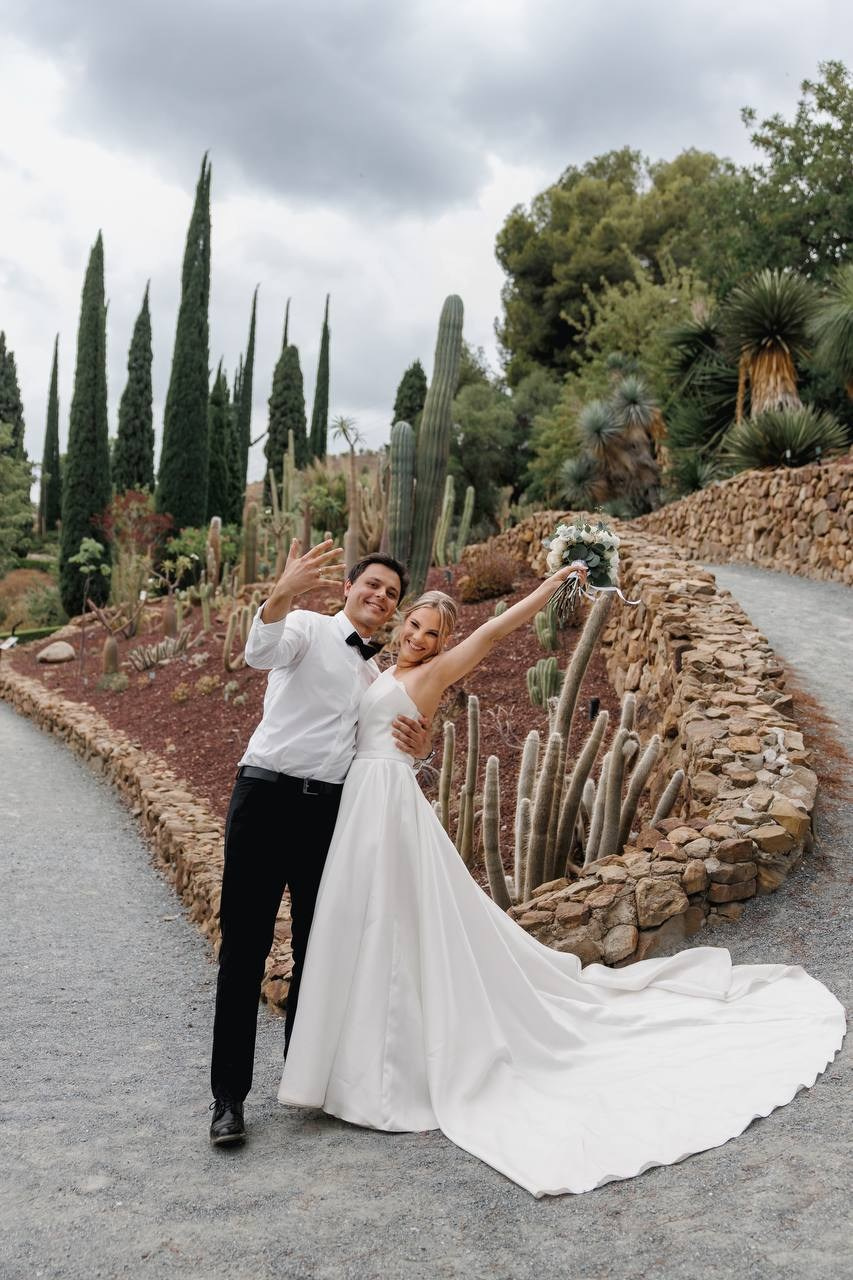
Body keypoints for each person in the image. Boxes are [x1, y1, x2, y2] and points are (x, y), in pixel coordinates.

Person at [278, 580, 846, 1197]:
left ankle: (385, 1072)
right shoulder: (380, 669)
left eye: (431, 633)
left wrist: (553, 583)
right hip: (362, 800)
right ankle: (347, 1064)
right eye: (414, 625)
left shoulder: (437, 669)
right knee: (361, 923)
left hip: (385, 804)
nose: (418, 637)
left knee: (393, 922)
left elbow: (494, 635)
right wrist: (419, 744)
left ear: (442, 642)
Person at [209, 542, 431, 1147]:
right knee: (245, 949)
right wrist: (282, 591)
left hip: (326, 813)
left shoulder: (375, 674)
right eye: (372, 585)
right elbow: (259, 651)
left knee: (317, 946)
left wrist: (423, 747)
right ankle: (228, 1101)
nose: (380, 596)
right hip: (264, 799)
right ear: (348, 588)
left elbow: (385, 743)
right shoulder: (304, 628)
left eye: (391, 593)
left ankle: (303, 1081)